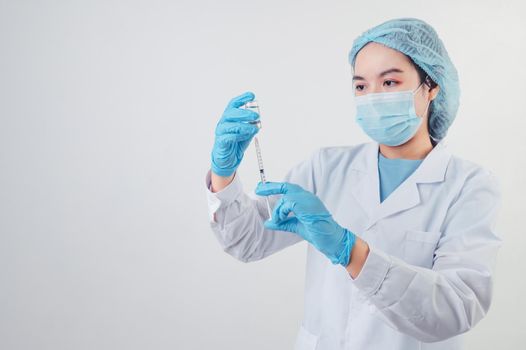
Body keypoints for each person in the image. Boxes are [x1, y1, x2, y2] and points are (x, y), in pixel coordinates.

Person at [204, 18, 502, 350]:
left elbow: (455, 308)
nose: (372, 96)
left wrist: (351, 252)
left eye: (389, 82)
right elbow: (247, 241)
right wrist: (223, 173)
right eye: (361, 86)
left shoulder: (470, 186)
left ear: (431, 86)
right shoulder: (325, 168)